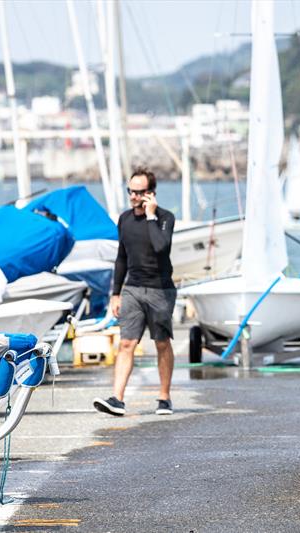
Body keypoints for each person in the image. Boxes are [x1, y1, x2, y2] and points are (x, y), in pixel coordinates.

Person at [93, 167, 178, 417]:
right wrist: (115, 292)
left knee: (162, 343)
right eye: (131, 191)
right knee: (127, 342)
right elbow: (121, 257)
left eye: (139, 192)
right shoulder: (125, 219)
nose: (134, 196)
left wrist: (151, 216)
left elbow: (161, 247)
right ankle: (117, 398)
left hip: (160, 289)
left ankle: (164, 397)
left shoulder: (165, 218)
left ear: (151, 194)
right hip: (132, 288)